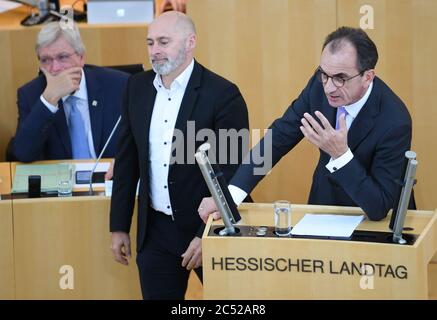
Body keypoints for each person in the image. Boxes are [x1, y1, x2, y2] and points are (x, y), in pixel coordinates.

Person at [199, 26, 413, 223]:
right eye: (324, 75)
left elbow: (379, 206)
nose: (329, 87)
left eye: (340, 78)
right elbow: (279, 137)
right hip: (325, 204)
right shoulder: (320, 85)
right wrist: (230, 196)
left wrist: (342, 155)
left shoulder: (394, 121)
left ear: (367, 77)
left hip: (375, 220)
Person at [109, 11, 249, 299]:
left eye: (163, 41)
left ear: (190, 42)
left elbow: (233, 171)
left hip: (209, 229)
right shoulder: (136, 87)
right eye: (150, 43)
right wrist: (119, 226)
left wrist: (205, 233)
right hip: (155, 231)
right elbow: (127, 160)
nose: (155, 50)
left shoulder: (223, 94)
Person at [13, 21, 129, 162]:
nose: (55, 68)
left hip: (110, 178)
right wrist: (49, 100)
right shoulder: (30, 95)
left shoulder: (119, 85)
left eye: (62, 57)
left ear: (81, 57)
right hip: (61, 180)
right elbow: (22, 154)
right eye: (45, 60)